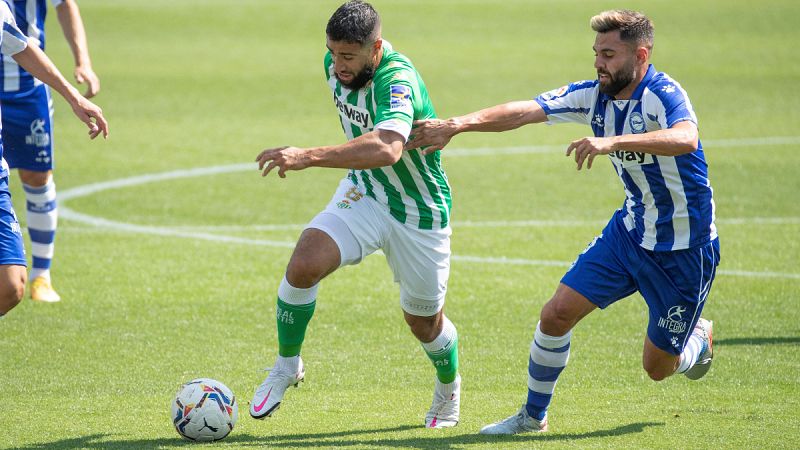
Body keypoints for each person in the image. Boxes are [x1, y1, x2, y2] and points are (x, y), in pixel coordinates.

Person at [407, 9, 719, 434]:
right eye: (596, 53)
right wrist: (458, 125)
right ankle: (532, 419)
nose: (598, 63)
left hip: (684, 250)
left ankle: (697, 340)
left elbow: (686, 138)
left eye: (608, 54)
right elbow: (525, 110)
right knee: (556, 314)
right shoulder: (594, 95)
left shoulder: (663, 94)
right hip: (629, 234)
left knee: (658, 368)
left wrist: (612, 141)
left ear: (640, 55)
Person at [250, 0, 460, 428]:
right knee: (304, 263)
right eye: (334, 52)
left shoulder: (397, 78)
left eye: (349, 56)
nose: (339, 64)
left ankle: (448, 387)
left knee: (423, 322)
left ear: (375, 48)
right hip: (364, 193)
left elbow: (387, 148)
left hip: (418, 212)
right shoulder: (333, 61)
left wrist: (307, 156)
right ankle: (286, 365)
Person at [0, 1, 107, 318]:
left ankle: (41, 276)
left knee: (10, 287)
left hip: (29, 88)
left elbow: (22, 44)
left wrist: (77, 81)